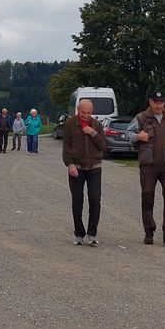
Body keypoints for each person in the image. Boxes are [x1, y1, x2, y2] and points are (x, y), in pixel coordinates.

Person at [124, 92, 165, 247]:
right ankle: (149, 232)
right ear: (150, 102)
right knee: (147, 199)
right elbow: (127, 134)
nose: (159, 106)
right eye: (156, 102)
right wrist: (138, 137)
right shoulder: (141, 118)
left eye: (162, 102)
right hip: (148, 166)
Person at [62, 99, 107, 245]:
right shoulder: (70, 124)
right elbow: (66, 147)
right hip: (76, 168)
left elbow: (103, 146)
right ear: (78, 110)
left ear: (92, 112)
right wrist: (70, 165)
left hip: (94, 167)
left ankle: (92, 233)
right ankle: (79, 234)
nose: (86, 116)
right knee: (77, 201)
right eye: (83, 113)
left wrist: (93, 133)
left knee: (95, 200)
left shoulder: (97, 125)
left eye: (88, 113)